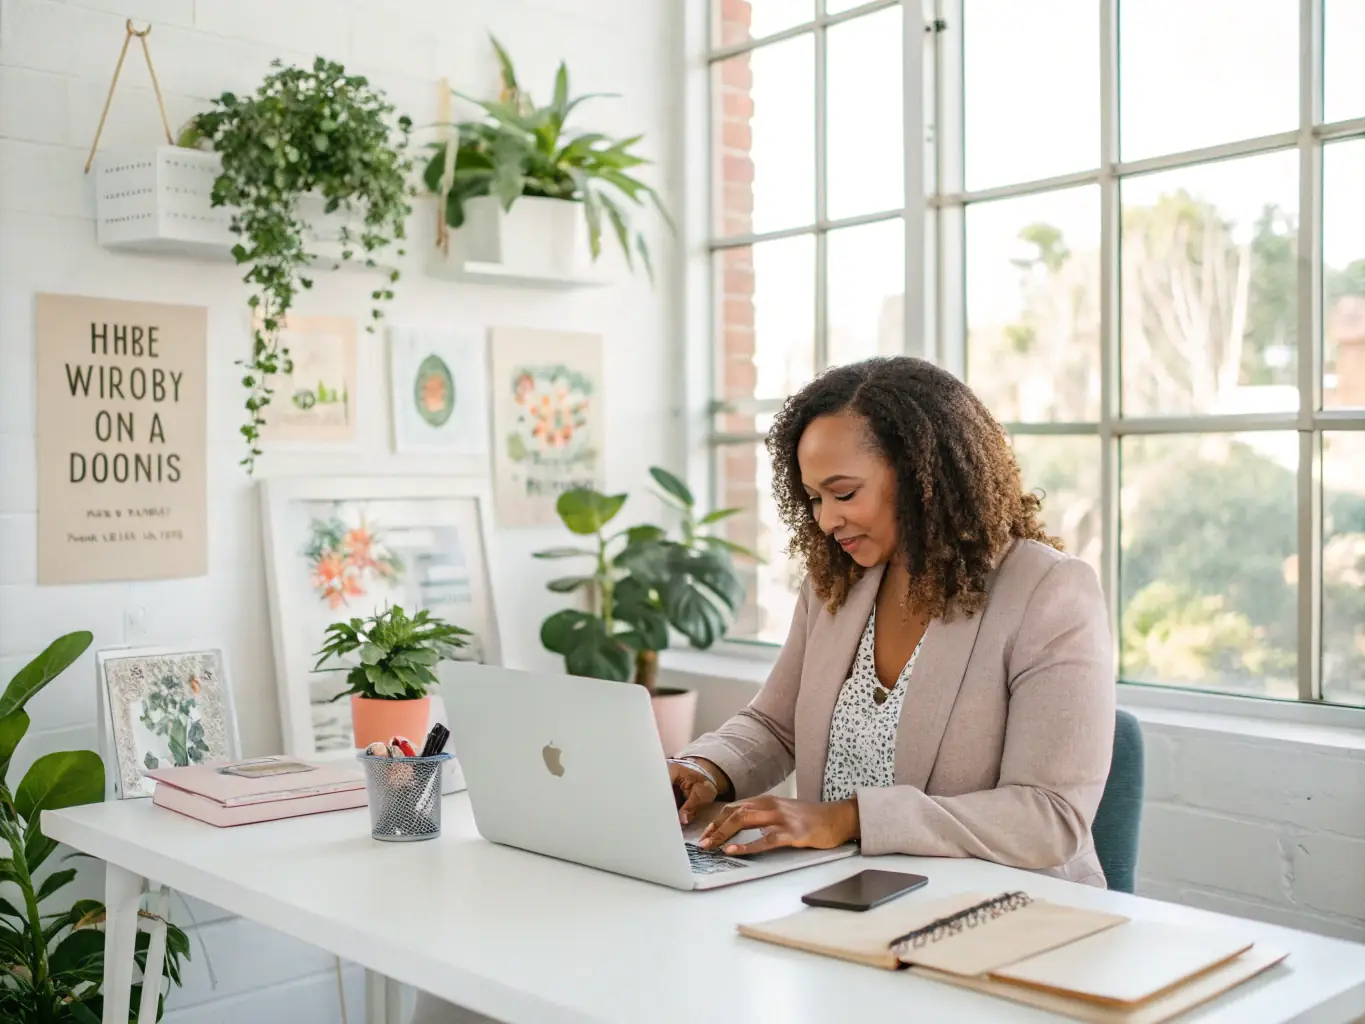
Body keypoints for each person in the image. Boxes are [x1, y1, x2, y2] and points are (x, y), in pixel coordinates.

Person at [672, 356, 1115, 886]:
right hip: (837, 895)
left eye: (844, 493)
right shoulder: (836, 581)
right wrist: (705, 769)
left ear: (921, 473)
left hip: (998, 909)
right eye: (814, 498)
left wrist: (851, 819)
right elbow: (776, 724)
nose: (826, 520)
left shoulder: (1048, 591)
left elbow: (1048, 816)